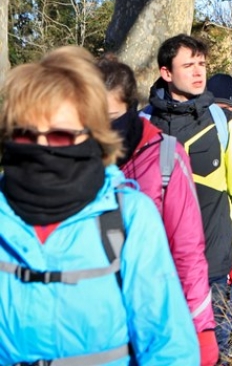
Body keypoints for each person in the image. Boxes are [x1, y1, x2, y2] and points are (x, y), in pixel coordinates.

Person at [0, 46, 198, 364]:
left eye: (60, 136)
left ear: (91, 136)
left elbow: (168, 347)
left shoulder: (128, 217)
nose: (40, 148)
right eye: (24, 135)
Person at [142, 34, 232, 356]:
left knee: (211, 355)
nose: (199, 72)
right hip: (152, 270)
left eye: (202, 64)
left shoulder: (227, 125)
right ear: (166, 73)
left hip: (212, 270)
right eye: (189, 65)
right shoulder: (140, 124)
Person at [97, 55, 218, 365]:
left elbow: (187, 250)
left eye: (109, 116)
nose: (100, 129)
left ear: (130, 108)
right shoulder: (80, 157)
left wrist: (201, 328)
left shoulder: (165, 157)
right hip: (98, 317)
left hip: (157, 313)